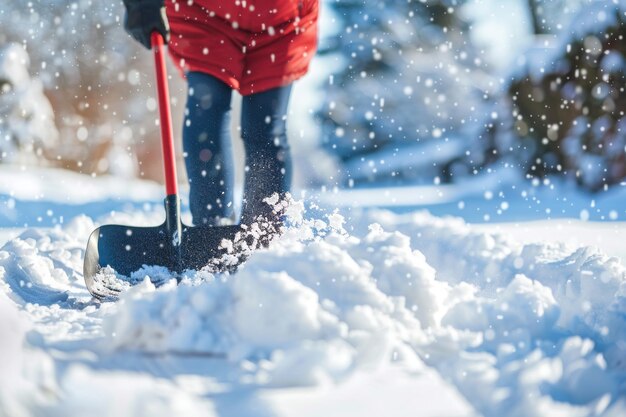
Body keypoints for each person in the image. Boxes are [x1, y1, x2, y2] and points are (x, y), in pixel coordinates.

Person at [122, 0, 319, 228]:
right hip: (203, 14)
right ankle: (211, 230)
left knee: (264, 128)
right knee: (207, 107)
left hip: (281, 20)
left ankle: (263, 235)